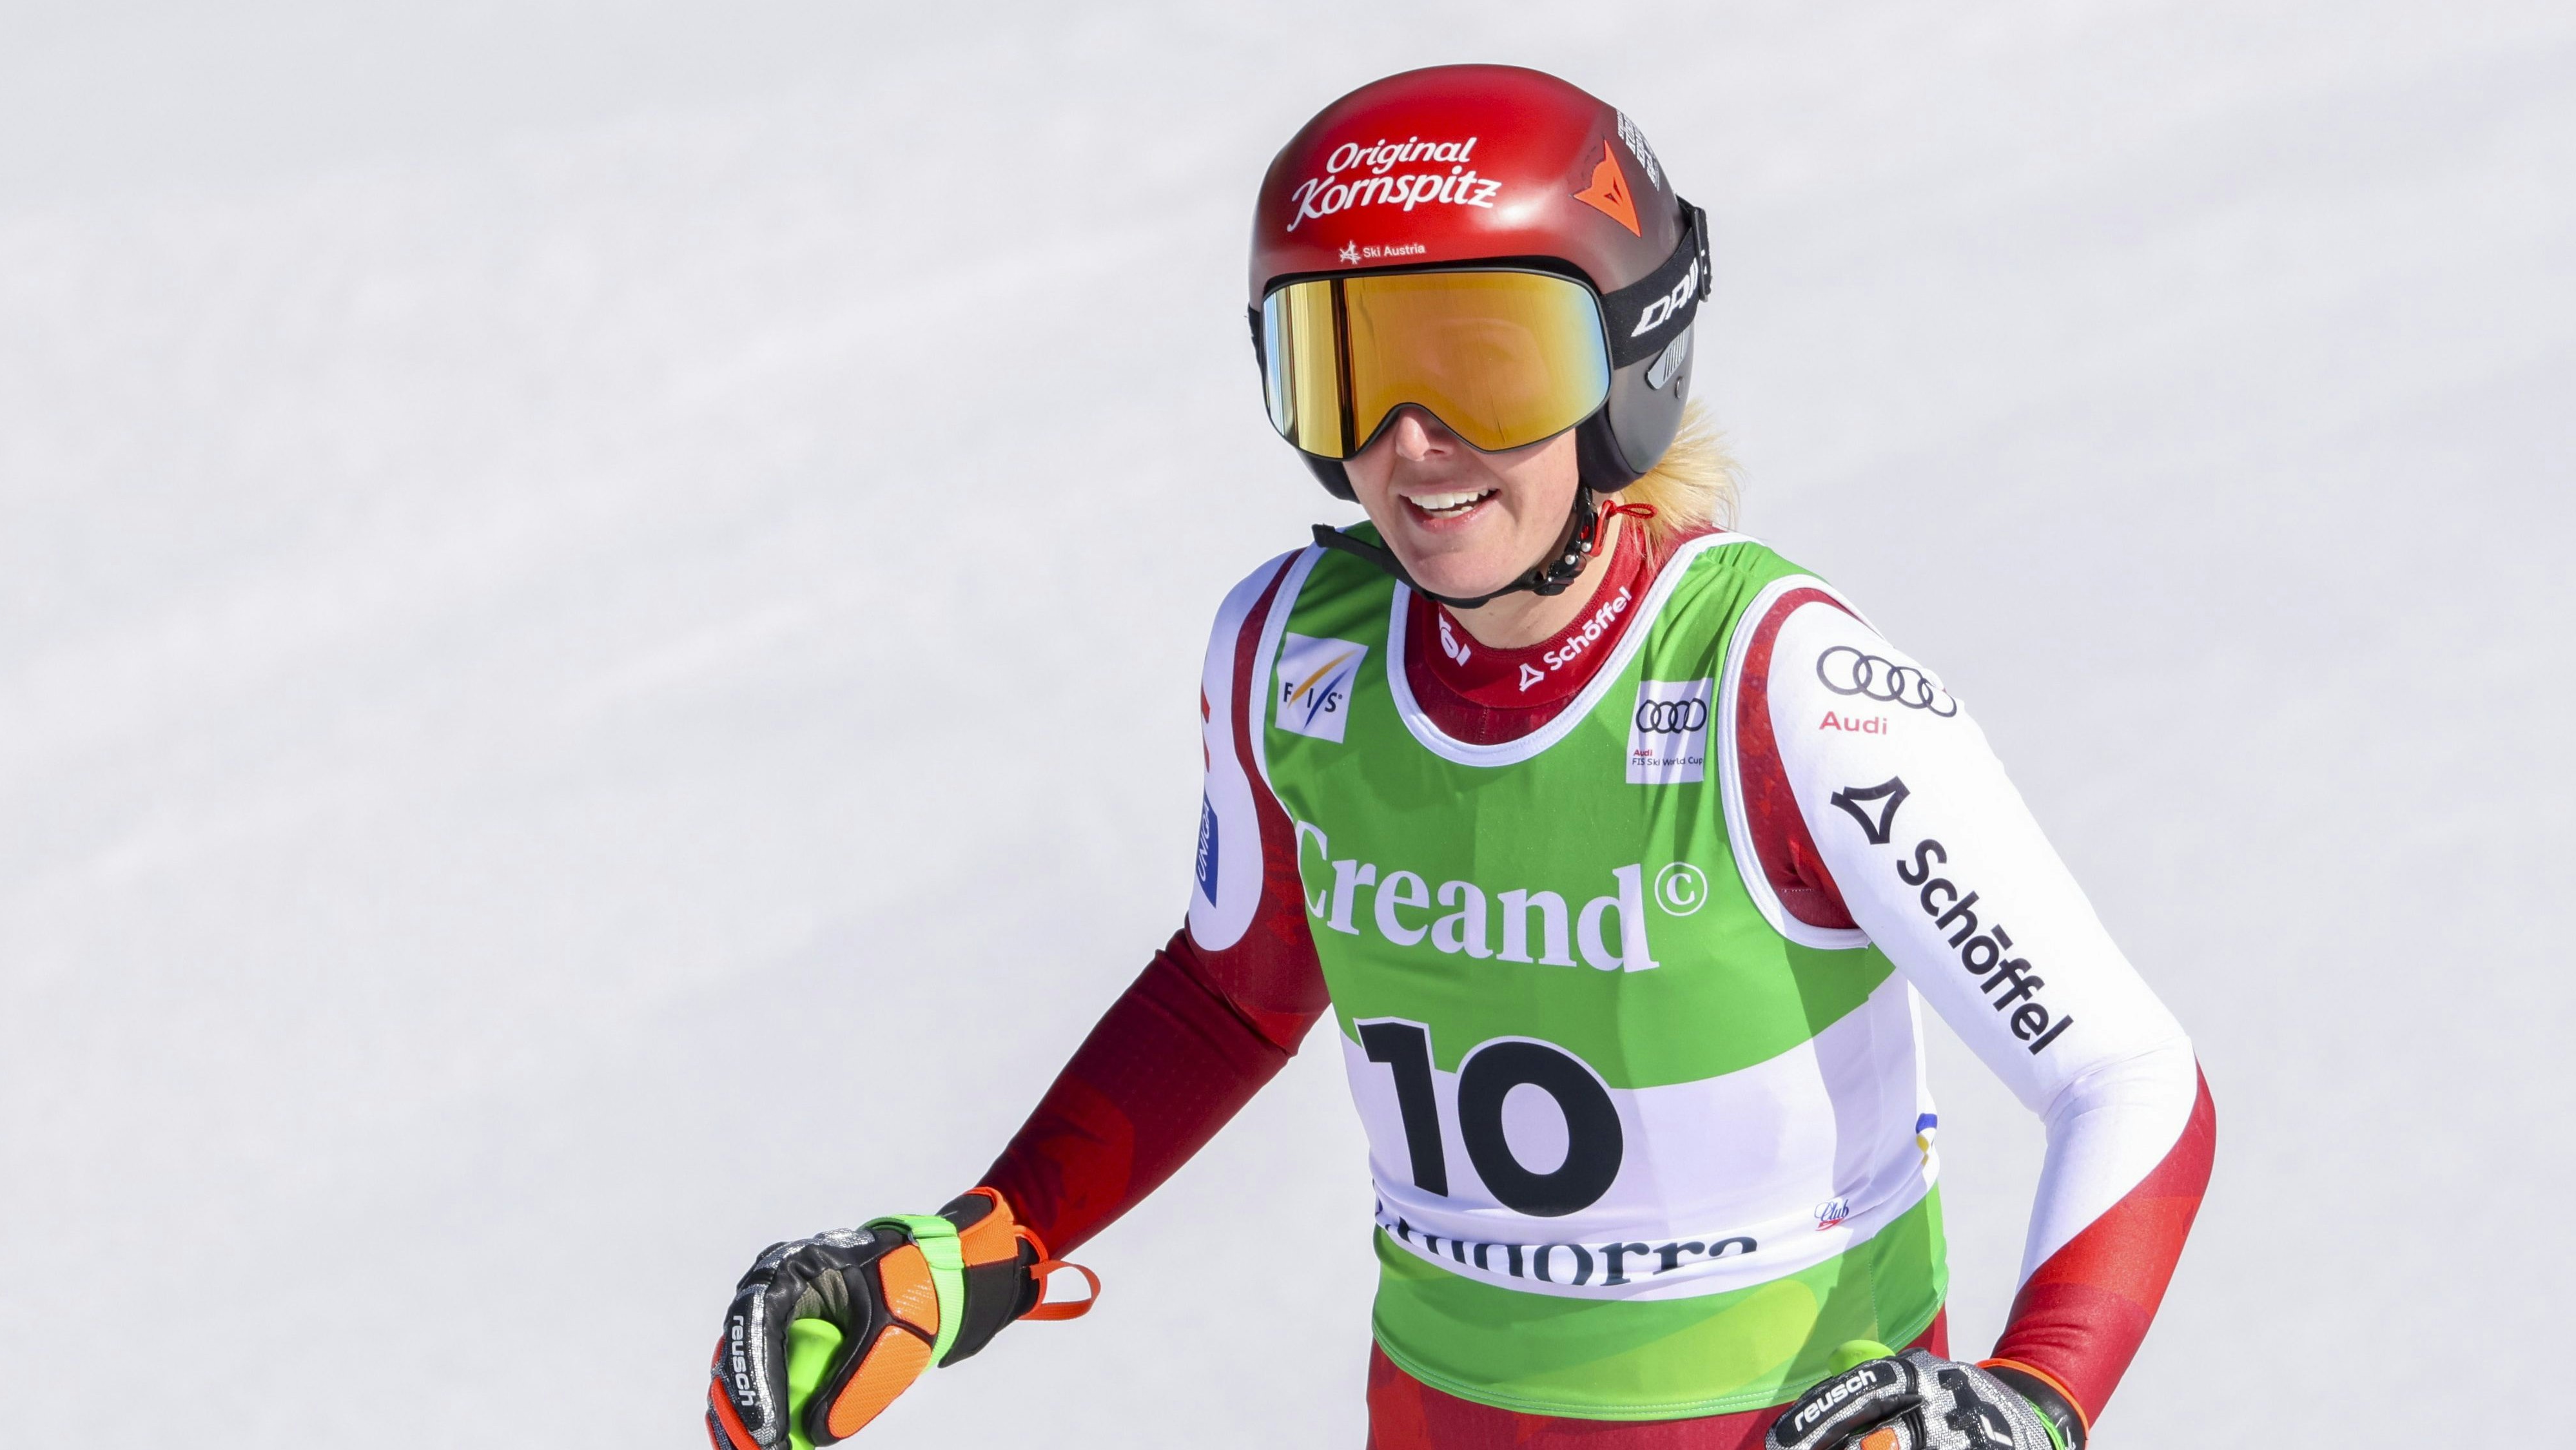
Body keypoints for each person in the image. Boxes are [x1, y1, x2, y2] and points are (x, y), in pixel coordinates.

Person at [705, 64, 2214, 1450]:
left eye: (1485, 363)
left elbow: (2126, 1073)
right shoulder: (1293, 657)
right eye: (1345, 368)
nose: (1409, 444)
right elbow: (1231, 999)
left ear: (1626, 358)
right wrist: (989, 1240)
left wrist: (2031, 1397)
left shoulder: (1779, 685)